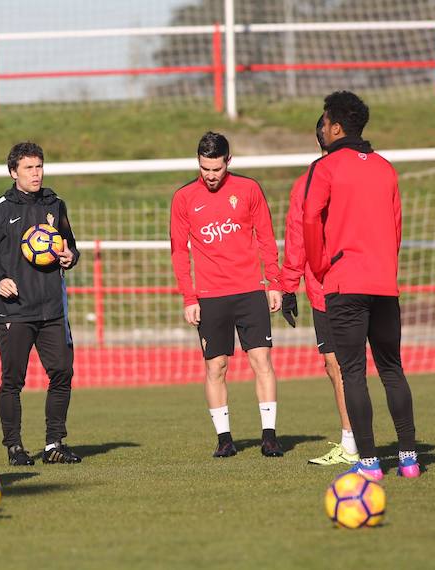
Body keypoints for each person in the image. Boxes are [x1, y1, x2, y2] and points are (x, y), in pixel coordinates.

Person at [302, 90, 420, 480]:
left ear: (335, 127)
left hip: (345, 283)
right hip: (384, 283)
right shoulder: (386, 167)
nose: (319, 128)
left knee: (353, 372)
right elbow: (397, 227)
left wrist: (320, 266)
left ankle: (369, 462)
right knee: (392, 369)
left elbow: (309, 220)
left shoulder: (326, 168)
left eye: (322, 122)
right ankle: (409, 458)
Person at [0, 142, 81, 466]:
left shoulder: (55, 204)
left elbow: (69, 244)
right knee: (13, 380)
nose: (36, 173)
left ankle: (54, 444)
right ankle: (14, 447)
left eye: (39, 167)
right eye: (29, 168)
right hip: (13, 309)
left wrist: (71, 256)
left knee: (62, 373)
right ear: (14, 172)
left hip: (52, 309)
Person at [170, 131, 284, 459]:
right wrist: (189, 297)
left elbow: (265, 237)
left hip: (250, 290)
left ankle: (269, 436)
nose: (210, 175)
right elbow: (179, 251)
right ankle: (224, 439)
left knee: (261, 360)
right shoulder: (184, 198)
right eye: (205, 168)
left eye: (216, 169)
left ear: (228, 162)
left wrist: (273, 282)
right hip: (210, 296)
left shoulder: (249, 189)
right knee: (216, 366)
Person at [280, 116, 359, 466]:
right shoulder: (366, 173)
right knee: (367, 363)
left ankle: (354, 442)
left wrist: (287, 286)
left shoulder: (312, 181)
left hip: (331, 285)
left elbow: (297, 235)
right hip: (361, 280)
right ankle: (391, 447)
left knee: (338, 364)